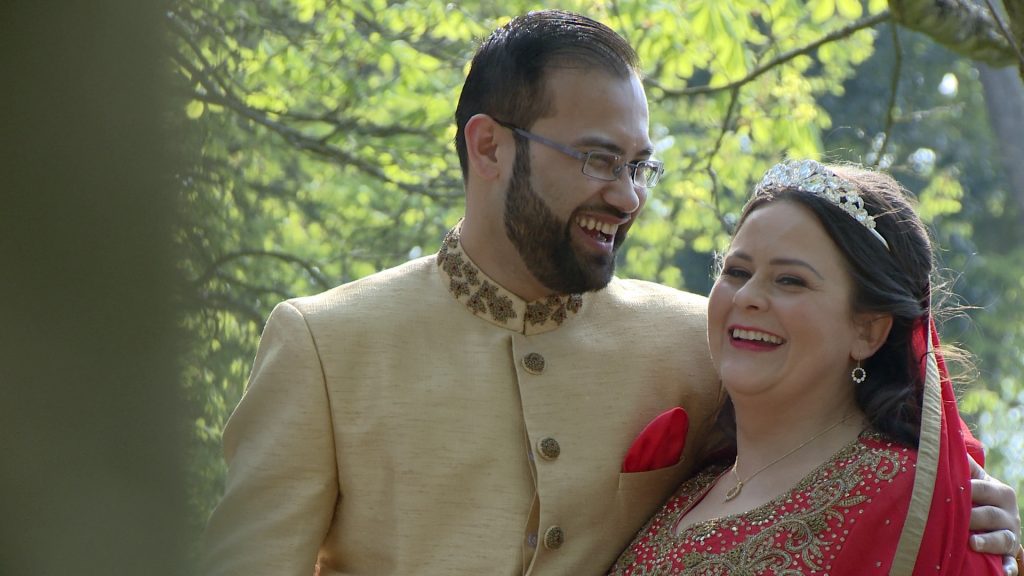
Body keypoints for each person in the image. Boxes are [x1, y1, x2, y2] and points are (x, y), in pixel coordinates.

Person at [201, 11, 1022, 576]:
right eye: (598, 159)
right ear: (488, 147)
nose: (627, 196)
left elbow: (838, 449)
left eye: (639, 165)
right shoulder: (325, 346)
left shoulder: (699, 344)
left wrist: (965, 509)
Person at [608, 160, 1021, 575]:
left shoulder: (919, 503)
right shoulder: (684, 490)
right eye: (736, 271)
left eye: (790, 280)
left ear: (868, 330)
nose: (747, 296)